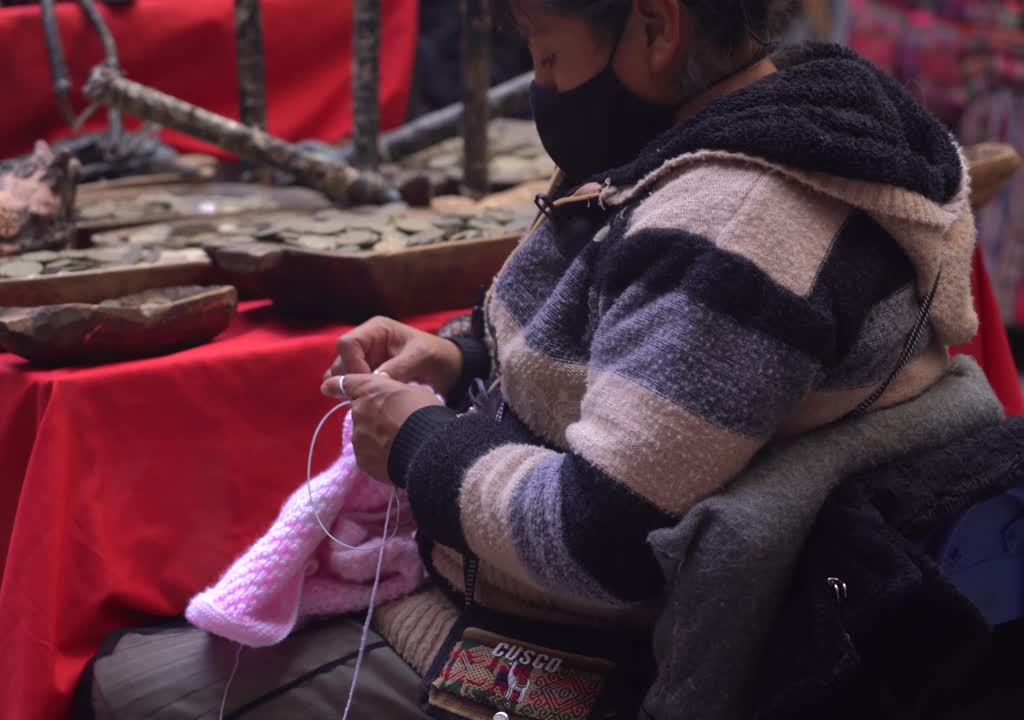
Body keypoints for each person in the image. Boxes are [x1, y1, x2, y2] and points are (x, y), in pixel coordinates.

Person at [77, 1, 988, 717]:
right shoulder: (742, 119)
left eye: (546, 53)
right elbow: (619, 333)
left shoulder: (731, 222)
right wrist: (460, 353)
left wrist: (419, 446)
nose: (540, 80)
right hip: (507, 585)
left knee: (122, 686)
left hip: (578, 652)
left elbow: (603, 538)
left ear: (656, 24)